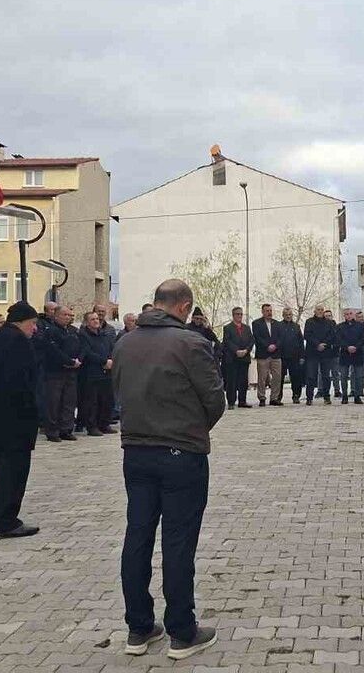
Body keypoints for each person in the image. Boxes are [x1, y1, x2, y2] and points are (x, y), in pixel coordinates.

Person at [114, 279, 225, 661]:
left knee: (138, 535)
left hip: (136, 452)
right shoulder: (193, 343)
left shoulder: (124, 343)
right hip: (181, 453)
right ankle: (182, 630)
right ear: (183, 306)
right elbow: (215, 400)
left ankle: (138, 627)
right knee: (179, 541)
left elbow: (119, 392)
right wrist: (191, 429)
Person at [0, 301, 42, 539]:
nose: (34, 329)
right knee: (13, 471)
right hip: (15, 418)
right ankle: (7, 521)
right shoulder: (17, 341)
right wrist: (33, 410)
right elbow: (23, 382)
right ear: (21, 322)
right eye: (32, 324)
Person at [38, 306, 82, 442]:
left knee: (69, 402)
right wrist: (68, 361)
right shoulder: (51, 331)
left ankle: (66, 429)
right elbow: (53, 350)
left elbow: (82, 347)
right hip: (55, 372)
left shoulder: (73, 331)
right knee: (53, 402)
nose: (68, 317)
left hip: (71, 371)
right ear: (56, 316)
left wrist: (79, 359)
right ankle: (52, 431)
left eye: (70, 315)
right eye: (65, 315)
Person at [78, 311, 116, 435]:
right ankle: (92, 426)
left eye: (97, 319)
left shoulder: (103, 335)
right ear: (87, 322)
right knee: (92, 401)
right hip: (92, 372)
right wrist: (103, 361)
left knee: (106, 399)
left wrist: (111, 360)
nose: (96, 321)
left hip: (106, 372)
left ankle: (104, 424)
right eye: (92, 319)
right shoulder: (83, 335)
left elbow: (111, 348)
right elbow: (88, 353)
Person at [302, 305, 336, 405]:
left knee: (326, 376)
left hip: (326, 352)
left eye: (322, 310)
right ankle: (309, 398)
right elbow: (307, 335)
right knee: (311, 376)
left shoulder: (329, 323)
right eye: (318, 310)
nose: (320, 311)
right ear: (314, 311)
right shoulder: (309, 322)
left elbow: (332, 336)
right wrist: (317, 344)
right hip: (312, 352)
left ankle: (326, 397)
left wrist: (324, 344)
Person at [221, 307, 254, 410]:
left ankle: (242, 401)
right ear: (233, 315)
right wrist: (236, 351)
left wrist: (246, 350)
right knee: (232, 381)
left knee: (243, 381)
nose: (239, 316)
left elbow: (251, 341)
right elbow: (227, 341)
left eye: (241, 314)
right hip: (232, 358)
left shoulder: (247, 328)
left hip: (244, 357)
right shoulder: (228, 328)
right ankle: (231, 402)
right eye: (237, 314)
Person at [251, 303, 283, 406]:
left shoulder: (277, 324)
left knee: (277, 377)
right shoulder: (256, 323)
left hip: (276, 354)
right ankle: (262, 397)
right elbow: (257, 337)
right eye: (267, 311)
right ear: (262, 312)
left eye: (270, 310)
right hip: (263, 354)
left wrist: (275, 346)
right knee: (262, 377)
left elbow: (281, 338)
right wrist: (267, 346)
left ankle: (274, 398)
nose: (269, 313)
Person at [336, 309, 364, 404]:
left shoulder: (360, 326)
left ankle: (357, 395)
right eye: (346, 314)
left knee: (358, 376)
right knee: (344, 376)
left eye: (350, 314)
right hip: (345, 353)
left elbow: (363, 339)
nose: (348, 316)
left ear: (353, 315)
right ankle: (344, 396)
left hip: (357, 353)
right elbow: (338, 339)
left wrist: (356, 347)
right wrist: (347, 347)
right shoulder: (340, 327)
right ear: (344, 316)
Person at [278, 308, 305, 404]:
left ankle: (296, 395)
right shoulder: (279, 326)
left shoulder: (296, 326)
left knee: (296, 377)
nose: (288, 316)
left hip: (295, 356)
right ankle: (278, 396)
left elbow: (301, 342)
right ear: (283, 315)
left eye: (290, 314)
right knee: (279, 378)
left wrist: (302, 356)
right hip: (282, 356)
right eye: (286, 314)